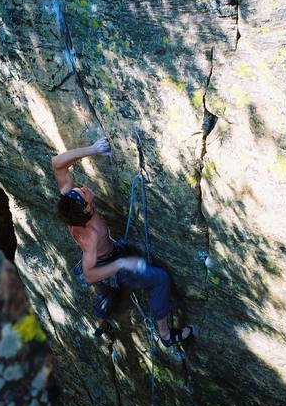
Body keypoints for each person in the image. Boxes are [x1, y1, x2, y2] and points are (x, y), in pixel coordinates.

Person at [52, 137, 192, 347]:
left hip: (104, 258)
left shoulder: (70, 201)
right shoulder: (90, 235)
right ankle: (165, 335)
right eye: (84, 193)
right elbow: (90, 275)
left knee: (104, 293)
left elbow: (57, 163)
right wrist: (120, 264)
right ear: (88, 210)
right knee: (160, 279)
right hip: (111, 265)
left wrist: (94, 148)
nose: (83, 188)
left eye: (79, 190)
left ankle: (101, 323)